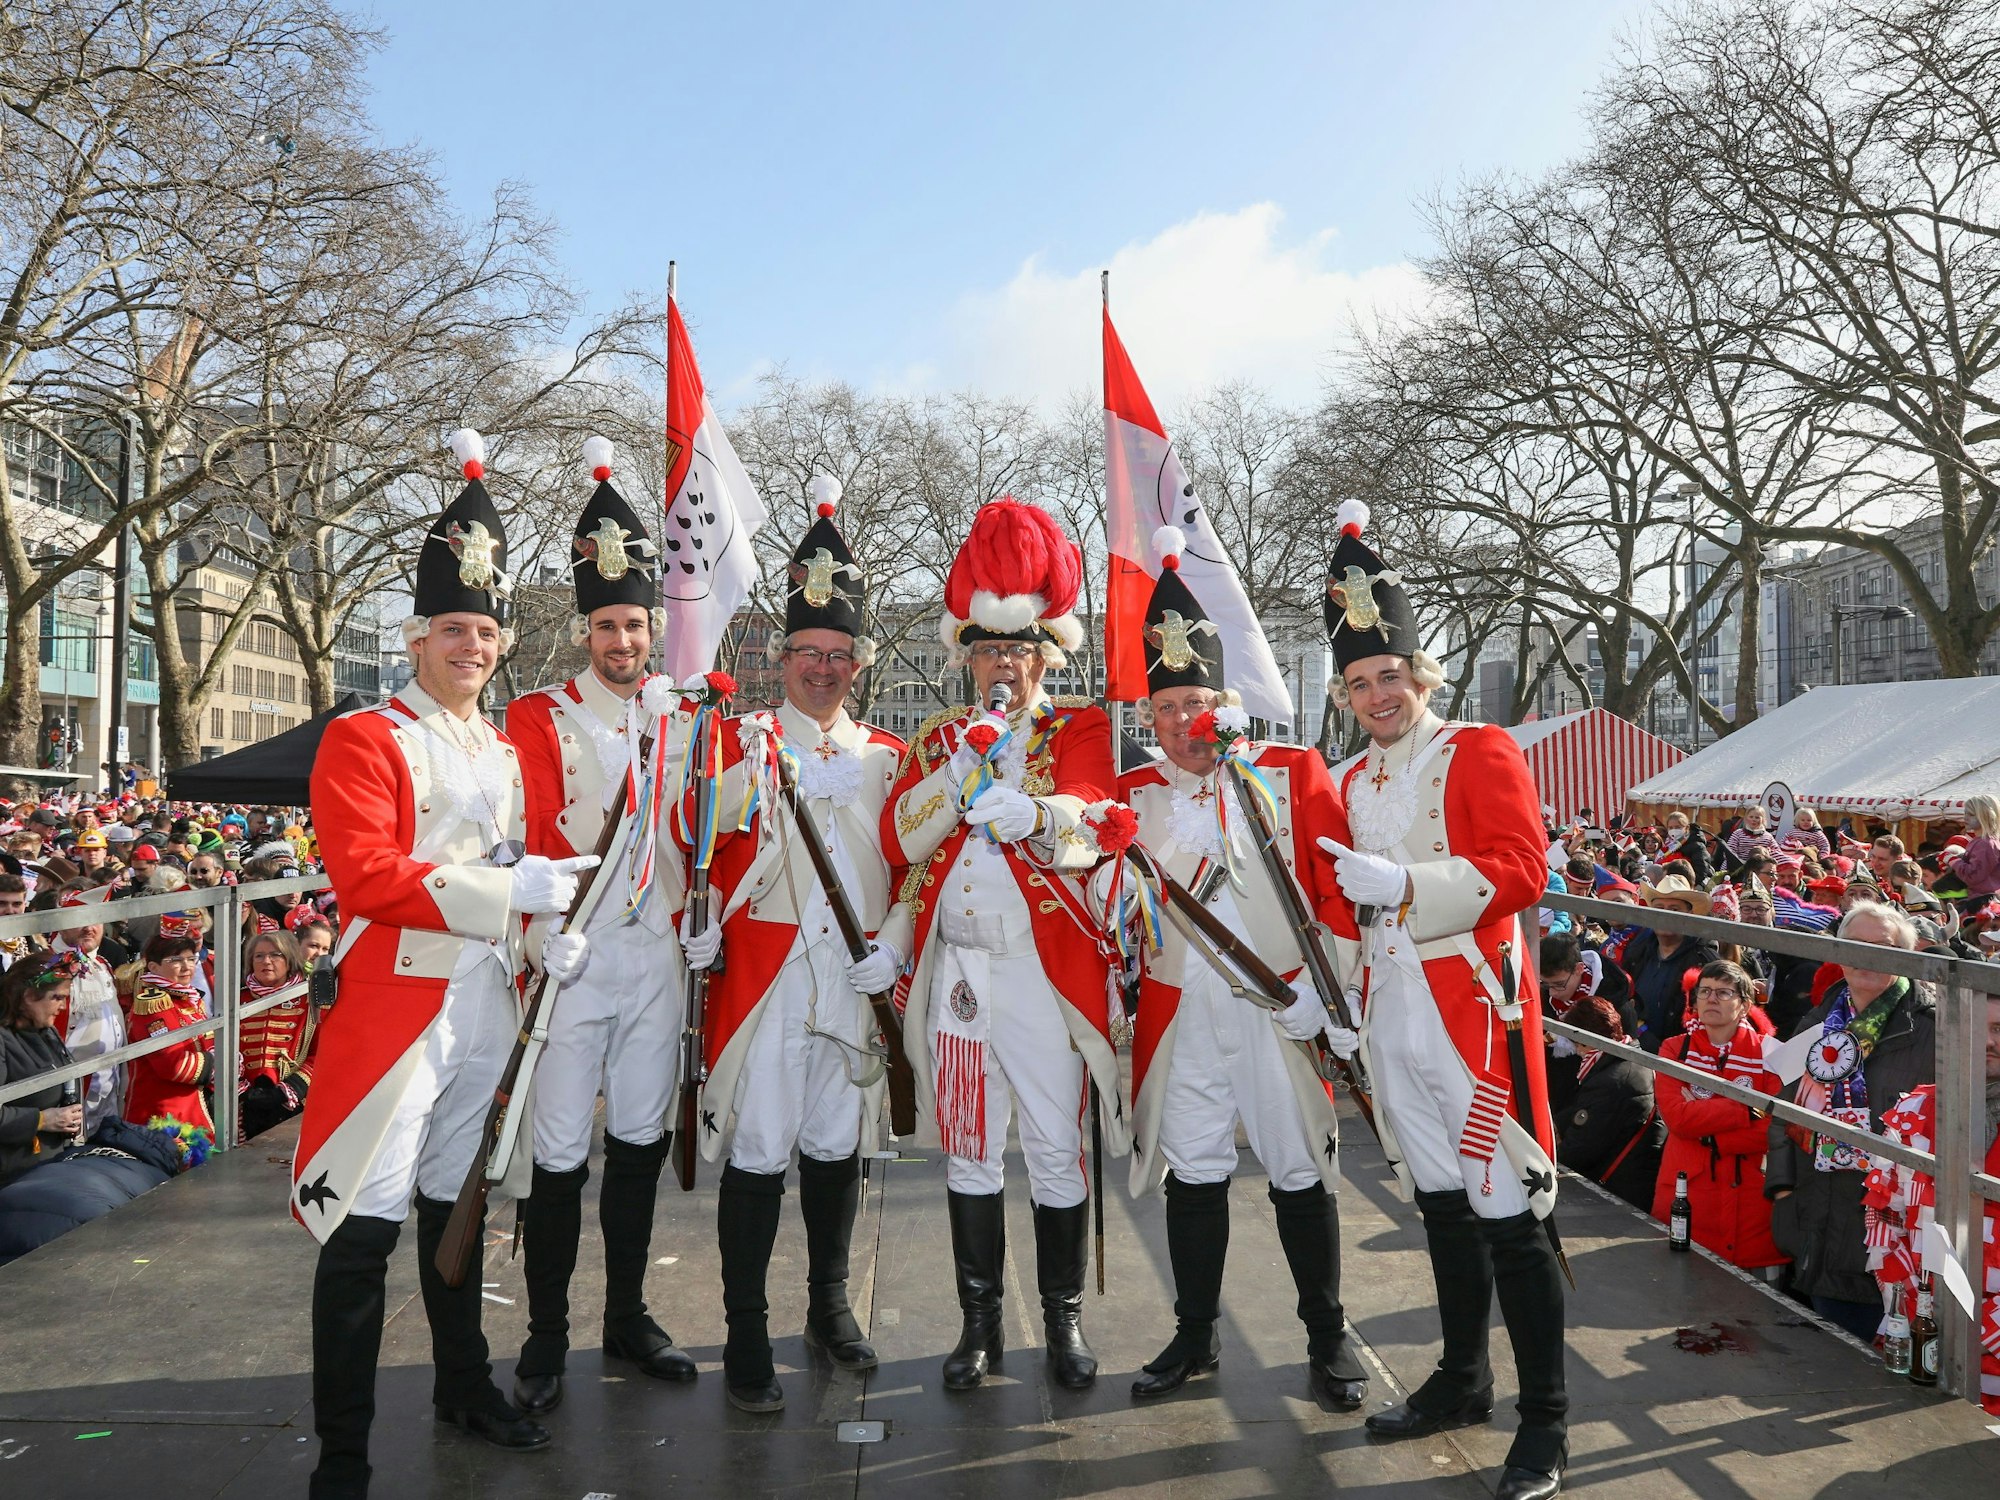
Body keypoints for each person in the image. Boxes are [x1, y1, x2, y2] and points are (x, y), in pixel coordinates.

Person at [292, 432, 595, 1498]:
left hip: (484, 1001)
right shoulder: (365, 736)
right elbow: (367, 875)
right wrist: (503, 896)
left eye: (485, 629)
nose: (471, 646)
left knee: (456, 1204)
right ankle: (342, 1451)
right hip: (399, 1007)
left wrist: (532, 932)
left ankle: (463, 1383)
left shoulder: (504, 752)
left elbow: (512, 867)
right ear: (419, 638)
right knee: (364, 1230)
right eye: (453, 629)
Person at [1309, 501, 1568, 1500]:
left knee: (1508, 1212)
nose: (1377, 694)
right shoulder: (1342, 775)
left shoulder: (1476, 749)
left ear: (1419, 677)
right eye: (1360, 682)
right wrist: (1328, 996)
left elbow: (1520, 867)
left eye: (1390, 677)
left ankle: (1544, 1424)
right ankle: (1462, 1379)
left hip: (1468, 1016)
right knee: (1443, 1209)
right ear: (1343, 693)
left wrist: (1413, 885)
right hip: (1389, 1016)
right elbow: (1337, 906)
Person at [1104, 546, 1366, 1408]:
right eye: (1168, 705)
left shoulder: (1289, 774)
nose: (1184, 720)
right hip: (1182, 1009)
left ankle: (1326, 1337)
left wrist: (1334, 997)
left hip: (1276, 1003)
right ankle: (1194, 1335)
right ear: (1150, 712)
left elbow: (1332, 892)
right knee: (1195, 1172)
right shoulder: (1129, 796)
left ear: (1225, 704)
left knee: (1298, 1168)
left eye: (1197, 702)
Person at [876, 497, 1124, 1393]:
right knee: (970, 1149)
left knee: (1056, 1147)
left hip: (1039, 974)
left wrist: (1039, 812)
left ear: (1044, 655)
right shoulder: (939, 738)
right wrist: (959, 768)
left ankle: (1062, 1322)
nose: (1001, 666)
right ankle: (979, 1326)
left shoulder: (1078, 727)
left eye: (1016, 651)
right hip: (958, 974)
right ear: (965, 656)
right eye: (985, 650)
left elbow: (1097, 819)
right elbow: (900, 839)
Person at [683, 476, 907, 1412]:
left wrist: (891, 946)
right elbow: (688, 844)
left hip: (848, 976)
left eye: (839, 655)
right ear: (781, 657)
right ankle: (742, 1328)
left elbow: (910, 870)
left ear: (857, 662)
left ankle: (826, 1306)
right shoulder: (733, 742)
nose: (823, 668)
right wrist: (693, 922)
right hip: (771, 977)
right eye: (808, 652)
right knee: (762, 1150)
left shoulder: (889, 759)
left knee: (832, 1144)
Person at [505, 438, 699, 1414]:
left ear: (654, 626)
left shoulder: (684, 718)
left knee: (635, 1141)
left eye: (634, 625)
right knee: (553, 1155)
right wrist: (536, 933)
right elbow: (512, 839)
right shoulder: (537, 717)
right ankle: (545, 1335)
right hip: (572, 957)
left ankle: (625, 1315)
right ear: (585, 629)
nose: (621, 642)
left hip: (655, 954)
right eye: (606, 627)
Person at [1766, 902, 1936, 1341]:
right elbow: (1784, 1110)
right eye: (1854, 945)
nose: (1866, 957)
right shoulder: (1820, 1018)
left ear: (1906, 955)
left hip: (1893, 1224)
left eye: (1882, 947)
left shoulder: (1932, 1027)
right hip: (1817, 1215)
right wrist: (1782, 1190)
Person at [1653, 961, 1785, 1273]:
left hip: (1754, 1208)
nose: (1712, 999)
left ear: (1744, 1006)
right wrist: (1746, 1108)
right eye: (1705, 991)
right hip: (1691, 1199)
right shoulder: (1674, 1049)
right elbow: (1678, 1119)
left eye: (1724, 993)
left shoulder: (1772, 1053)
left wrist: (1710, 1132)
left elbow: (1777, 1127)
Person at [1551, 996, 1662, 1211]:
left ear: (1585, 1040)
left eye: (1575, 1043)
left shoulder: (1610, 1081)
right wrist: (1558, 1123)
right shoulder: (1628, 1059)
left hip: (1621, 1188)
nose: (1577, 1051)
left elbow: (1583, 1146)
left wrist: (1552, 1159)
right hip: (1636, 1175)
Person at [0, 950, 86, 1185]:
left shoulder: (46, 1031)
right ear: (28, 996)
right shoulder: (3, 1039)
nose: (62, 1006)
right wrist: (41, 1120)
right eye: (57, 998)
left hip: (49, 1166)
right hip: (13, 1177)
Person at [121, 920, 213, 1134]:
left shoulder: (187, 997)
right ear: (153, 967)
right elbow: (173, 1066)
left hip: (191, 1108)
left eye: (191, 959)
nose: (186, 966)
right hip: (162, 1115)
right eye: (176, 960)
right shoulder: (152, 1005)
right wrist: (218, 1064)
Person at [1626, 877, 1721, 1053]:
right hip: (1635, 1050)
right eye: (1659, 909)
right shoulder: (1637, 951)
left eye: (1674, 909)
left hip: (1682, 1059)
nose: (1666, 915)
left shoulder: (1705, 962)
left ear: (1689, 916)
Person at [237, 928, 314, 1140]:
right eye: (258, 956)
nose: (266, 961)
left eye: (275, 955)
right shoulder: (237, 1001)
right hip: (245, 1104)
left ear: (289, 959)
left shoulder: (308, 999)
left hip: (293, 1103)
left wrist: (289, 1089)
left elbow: (323, 1053)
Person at [1947, 796, 2000, 899]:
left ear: (1986, 816)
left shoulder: (1986, 844)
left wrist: (1951, 860)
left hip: (1983, 902)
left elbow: (1973, 875)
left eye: (1971, 814)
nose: (1965, 818)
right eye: (1965, 813)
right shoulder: (1983, 841)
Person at [0, 872, 37, 972]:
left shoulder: (32, 945)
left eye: (16, 904)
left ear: (24, 906)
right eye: (2, 904)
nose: (10, 911)